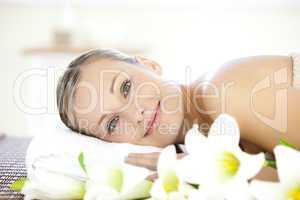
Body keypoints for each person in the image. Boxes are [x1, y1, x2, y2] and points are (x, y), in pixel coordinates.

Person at [56, 49, 300, 181]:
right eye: (112, 123)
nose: (136, 113)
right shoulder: (197, 146)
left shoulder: (220, 92)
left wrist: (216, 170)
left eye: (125, 87)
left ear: (150, 65)